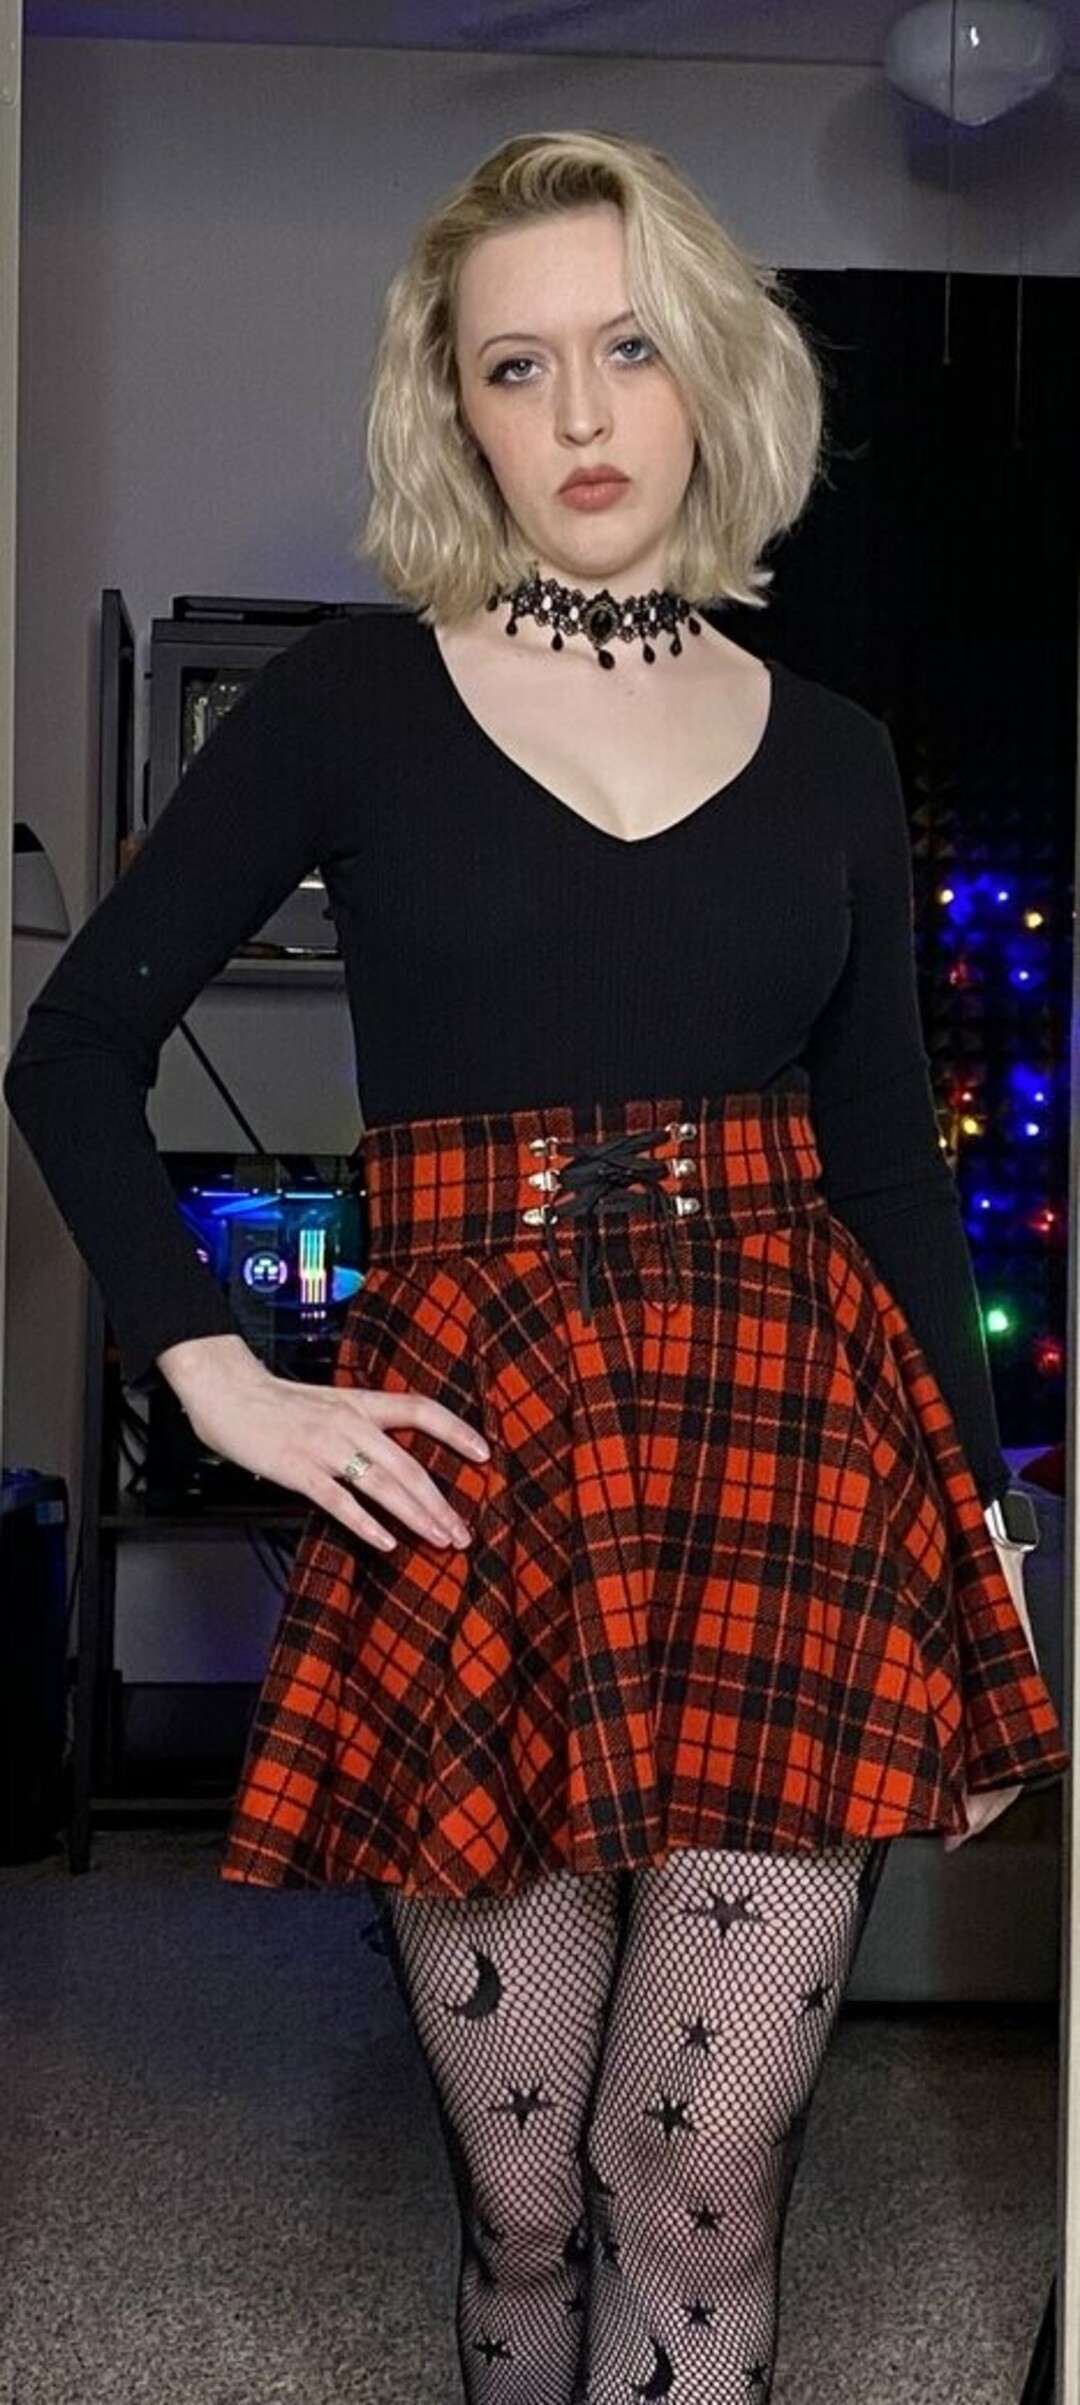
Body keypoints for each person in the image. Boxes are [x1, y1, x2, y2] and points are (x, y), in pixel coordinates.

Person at [4, 128, 1069, 2405]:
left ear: (714, 374)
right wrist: (215, 1369)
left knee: (697, 2180)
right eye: (517, 365)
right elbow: (72, 1046)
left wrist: (976, 1531)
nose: (581, 414)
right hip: (473, 1480)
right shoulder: (348, 707)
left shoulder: (837, 756)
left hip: (790, 1463)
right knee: (517, 2193)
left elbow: (892, 1171)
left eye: (628, 348)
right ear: (456, 411)